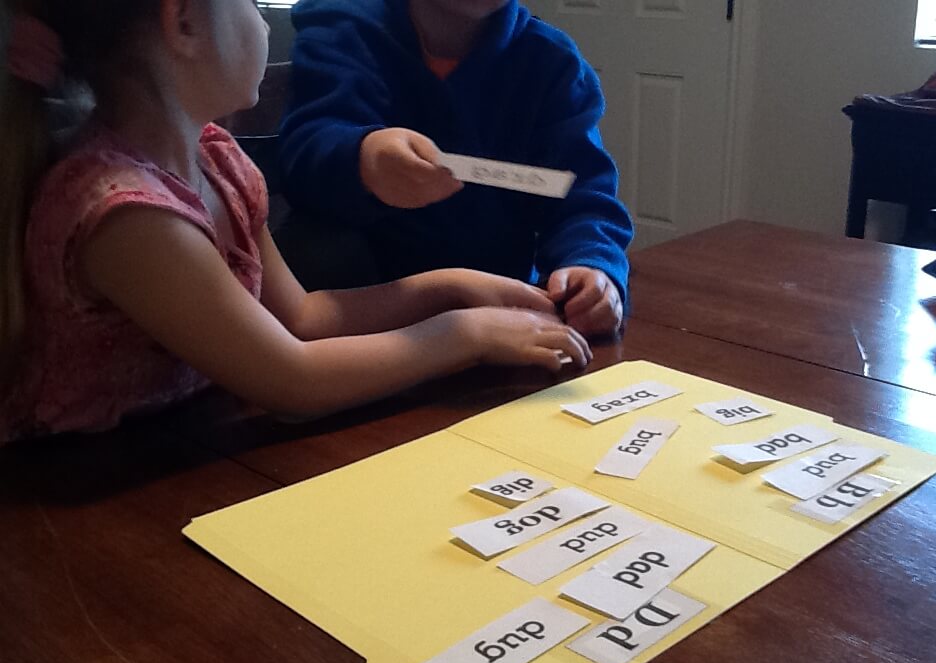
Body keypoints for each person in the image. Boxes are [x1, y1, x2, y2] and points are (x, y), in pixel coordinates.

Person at [0, 0, 591, 445]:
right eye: (252, 3)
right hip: (78, 493)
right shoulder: (126, 215)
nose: (262, 24)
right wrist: (466, 335)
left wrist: (450, 286)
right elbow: (293, 381)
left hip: (175, 448)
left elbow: (304, 319)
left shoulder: (218, 161)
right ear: (183, 25)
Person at [277, 0, 632, 338]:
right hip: (361, 322)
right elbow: (303, 153)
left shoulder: (551, 62)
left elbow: (584, 193)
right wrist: (363, 158)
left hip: (497, 316)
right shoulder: (344, 30)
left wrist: (592, 264)